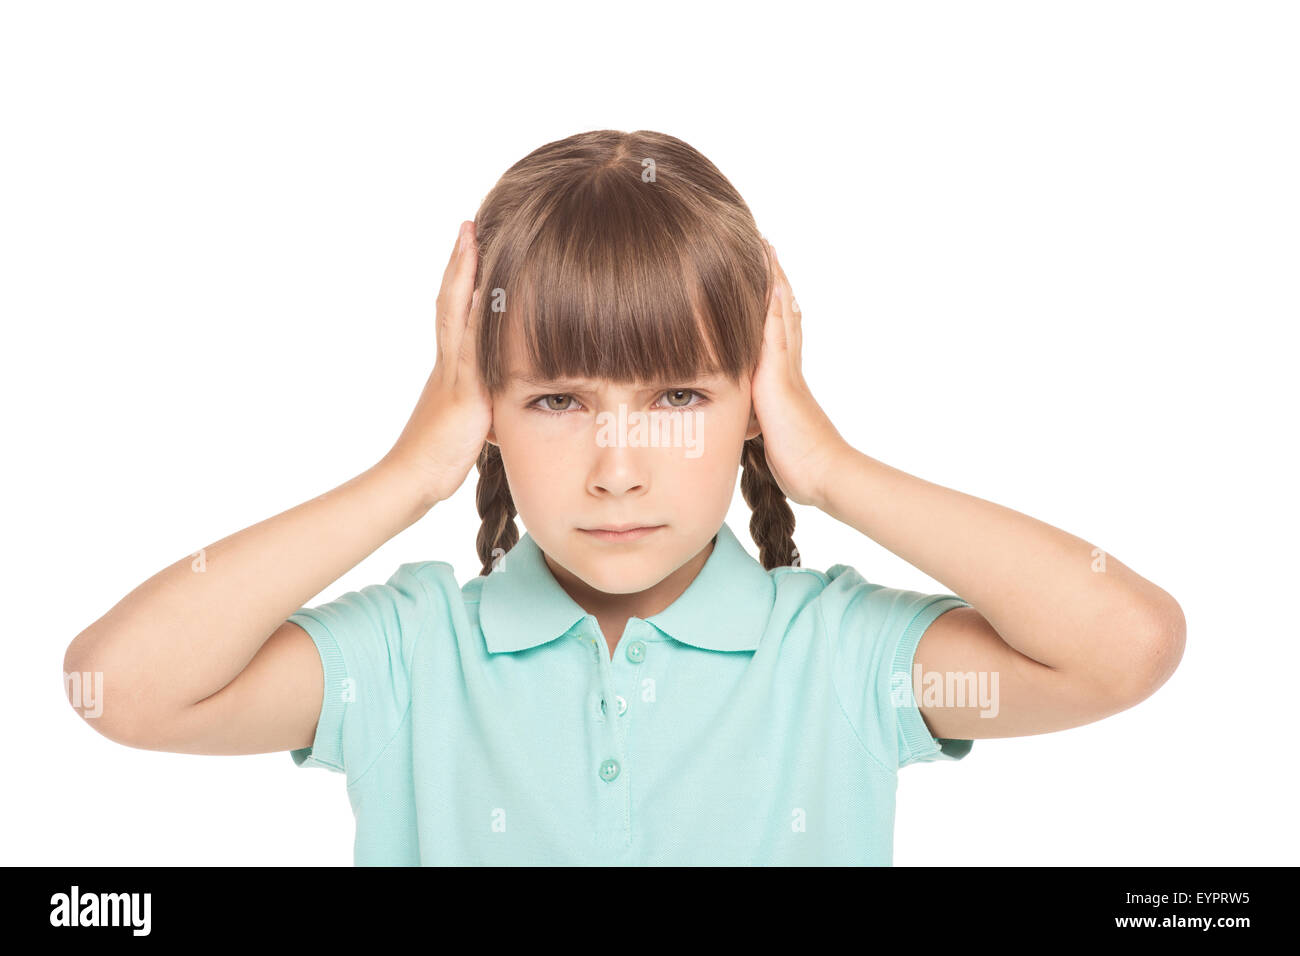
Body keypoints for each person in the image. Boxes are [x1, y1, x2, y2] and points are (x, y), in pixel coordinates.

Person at [64, 129, 1186, 865]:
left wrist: (832, 468)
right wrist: (409, 473)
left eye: (678, 393)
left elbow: (1122, 646)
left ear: (755, 397)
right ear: (485, 406)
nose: (618, 464)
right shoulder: (410, 655)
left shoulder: (839, 657)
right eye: (555, 399)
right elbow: (120, 687)